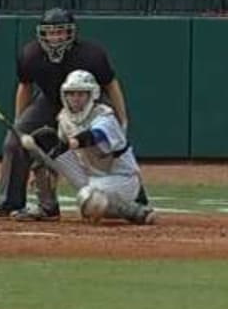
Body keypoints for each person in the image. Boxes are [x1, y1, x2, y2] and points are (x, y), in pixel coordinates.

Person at [0, 7, 147, 221]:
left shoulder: (92, 55)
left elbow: (111, 85)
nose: (55, 37)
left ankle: (135, 195)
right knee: (21, 143)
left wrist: (122, 119)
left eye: (60, 32)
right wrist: (19, 124)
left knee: (103, 144)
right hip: (50, 99)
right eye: (50, 32)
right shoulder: (31, 54)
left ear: (70, 33)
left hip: (89, 102)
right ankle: (22, 203)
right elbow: (25, 86)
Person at [18, 70, 156, 225]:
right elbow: (59, 151)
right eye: (71, 94)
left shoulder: (104, 116)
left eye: (81, 94)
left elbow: (94, 136)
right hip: (91, 175)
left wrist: (72, 142)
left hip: (121, 178)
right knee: (47, 144)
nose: (75, 98)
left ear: (92, 95)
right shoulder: (64, 118)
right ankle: (47, 206)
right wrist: (45, 167)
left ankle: (136, 210)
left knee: (90, 199)